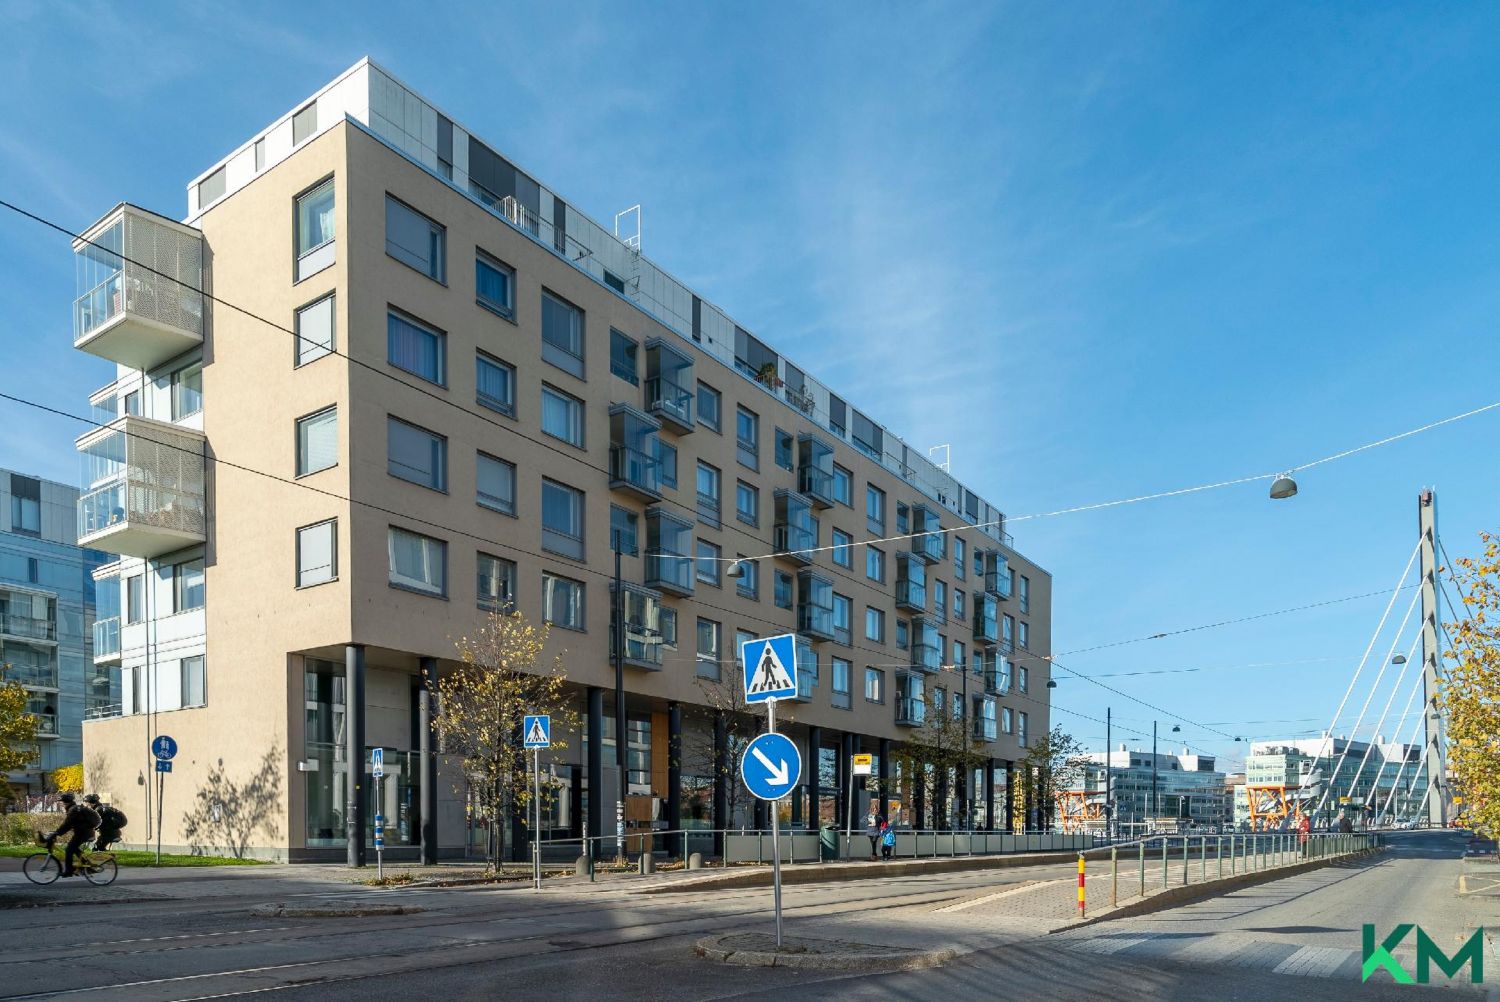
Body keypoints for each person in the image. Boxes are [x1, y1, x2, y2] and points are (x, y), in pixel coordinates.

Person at [45, 793, 100, 877]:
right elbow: (69, 825)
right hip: (85, 832)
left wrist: (57, 833)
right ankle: (88, 867)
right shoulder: (74, 809)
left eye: (61, 802)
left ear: (65, 802)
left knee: (69, 850)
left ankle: (69, 871)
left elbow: (67, 824)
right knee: (74, 848)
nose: (60, 804)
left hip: (83, 833)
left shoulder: (73, 810)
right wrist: (57, 833)